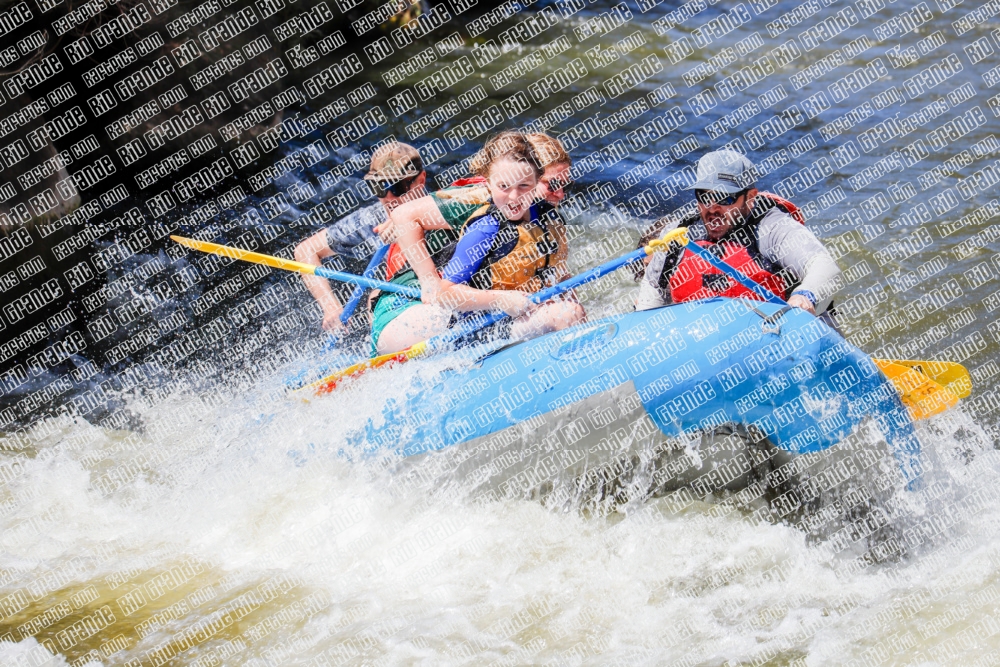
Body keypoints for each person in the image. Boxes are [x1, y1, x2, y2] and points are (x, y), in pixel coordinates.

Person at [370, 131, 585, 354]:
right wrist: (430, 282)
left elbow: (553, 273)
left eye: (565, 186)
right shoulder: (481, 200)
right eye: (552, 184)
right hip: (414, 304)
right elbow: (404, 215)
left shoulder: (544, 218)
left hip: (470, 305)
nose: (560, 194)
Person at [636, 150, 842, 325]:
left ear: (750, 198)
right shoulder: (677, 237)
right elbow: (648, 303)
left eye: (725, 198)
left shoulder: (774, 229)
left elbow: (825, 266)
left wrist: (806, 296)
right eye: (704, 197)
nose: (713, 209)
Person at [293, 142, 427, 333]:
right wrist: (330, 307)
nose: (388, 197)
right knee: (375, 297)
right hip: (398, 313)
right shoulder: (369, 220)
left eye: (397, 187)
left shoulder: (443, 205)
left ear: (420, 180)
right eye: (380, 187)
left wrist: (409, 221)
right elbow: (306, 251)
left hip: (439, 301)